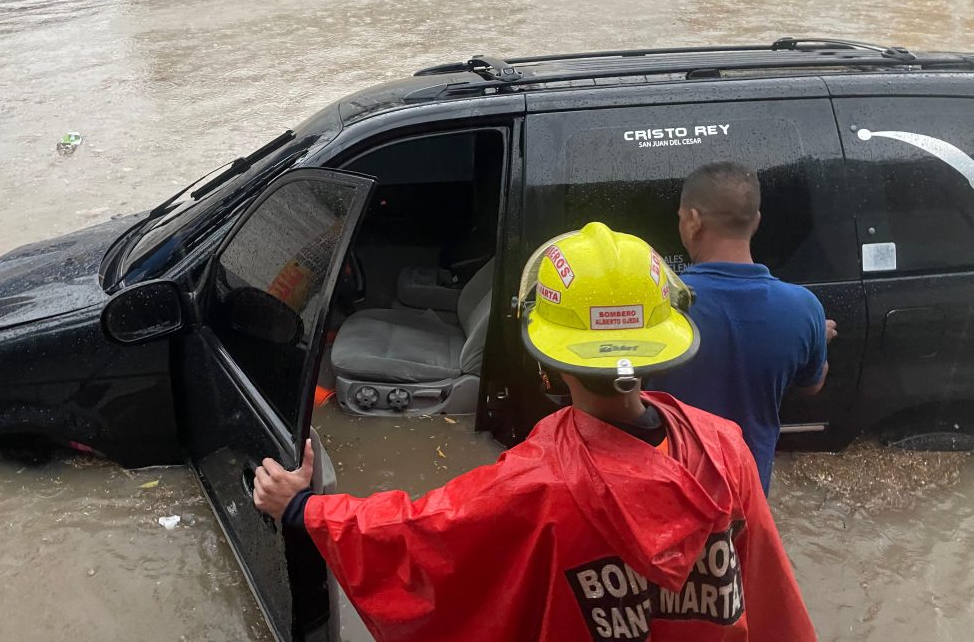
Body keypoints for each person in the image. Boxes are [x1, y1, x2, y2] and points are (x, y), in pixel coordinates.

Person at [254, 222, 817, 642]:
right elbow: (772, 599)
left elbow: (417, 538)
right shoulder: (725, 447)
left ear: (546, 361)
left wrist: (302, 508)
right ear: (659, 344)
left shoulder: (536, 485)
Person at [652, 162, 836, 495]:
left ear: (692, 220)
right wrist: (815, 337)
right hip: (747, 496)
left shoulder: (658, 304)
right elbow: (813, 384)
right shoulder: (804, 309)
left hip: (672, 495)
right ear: (756, 220)